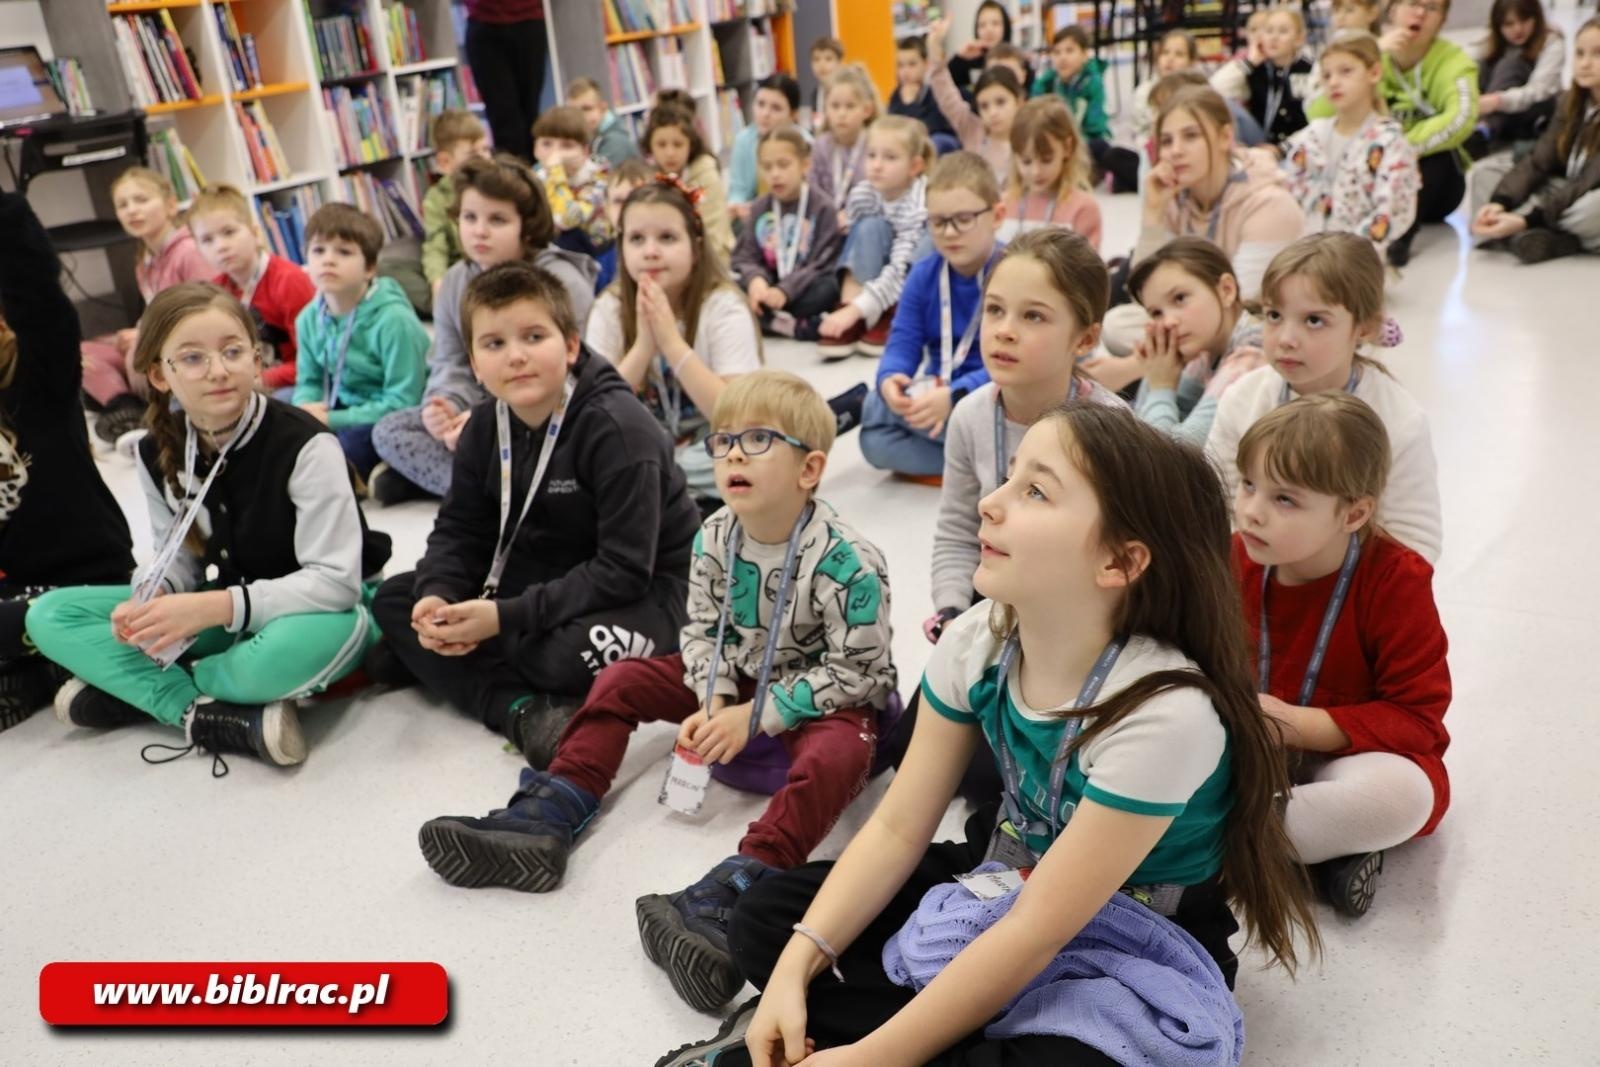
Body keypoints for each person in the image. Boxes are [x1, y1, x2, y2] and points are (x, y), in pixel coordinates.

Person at [659, 402, 1319, 1067]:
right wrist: (793, 968)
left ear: (1120, 561)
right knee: (769, 919)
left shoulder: (1164, 714)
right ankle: (865, 1029)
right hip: (1001, 875)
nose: (990, 503)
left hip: (1132, 935)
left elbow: (1038, 932)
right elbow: (894, 830)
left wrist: (869, 1059)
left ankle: (845, 1038)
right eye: (1008, 477)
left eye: (1035, 490)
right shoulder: (980, 637)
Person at [420, 371, 896, 1016]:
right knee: (619, 679)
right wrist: (711, 699)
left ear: (810, 467)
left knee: (840, 753)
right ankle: (556, 808)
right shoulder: (714, 535)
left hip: (819, 695)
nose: (731, 453)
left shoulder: (849, 561)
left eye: (758, 440)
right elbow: (700, 631)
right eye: (722, 439)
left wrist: (759, 717)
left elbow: (862, 671)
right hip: (738, 678)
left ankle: (745, 884)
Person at [28, 283, 388, 771]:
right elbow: (176, 557)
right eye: (193, 358)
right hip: (229, 612)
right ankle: (200, 712)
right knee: (50, 615)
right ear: (159, 374)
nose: (219, 370)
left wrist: (211, 608)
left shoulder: (306, 445)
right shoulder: (153, 451)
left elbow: (335, 584)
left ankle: (146, 690)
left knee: (275, 657)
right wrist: (150, 598)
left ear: (257, 362)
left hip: (319, 613)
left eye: (233, 351)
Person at [371, 261, 700, 766]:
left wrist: (501, 618)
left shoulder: (618, 430)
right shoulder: (484, 426)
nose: (517, 357)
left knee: (561, 658)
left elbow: (624, 571)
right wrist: (438, 592)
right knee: (399, 600)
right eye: (495, 344)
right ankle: (520, 711)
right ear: (475, 365)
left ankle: (464, 671)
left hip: (652, 588)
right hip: (543, 570)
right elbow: (461, 530)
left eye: (533, 336)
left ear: (570, 346)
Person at [1233, 393, 1450, 917]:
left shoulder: (1397, 580)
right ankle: (1312, 858)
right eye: (1247, 485)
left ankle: (1224, 845)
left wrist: (1299, 726)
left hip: (1346, 758)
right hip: (1246, 748)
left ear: (1353, 513)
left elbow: (1419, 719)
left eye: (1285, 500)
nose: (1252, 511)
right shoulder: (1234, 555)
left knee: (1401, 796)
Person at [368, 155, 598, 504]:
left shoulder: (561, 281)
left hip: (546, 410)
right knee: (390, 430)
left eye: (498, 220)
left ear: (527, 226)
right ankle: (486, 491)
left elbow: (574, 376)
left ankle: (470, 490)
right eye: (469, 217)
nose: (479, 230)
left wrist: (486, 419)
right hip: (478, 411)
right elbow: (450, 362)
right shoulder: (456, 281)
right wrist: (443, 406)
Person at [1207, 233, 1442, 563]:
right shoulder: (1243, 399)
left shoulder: (1399, 422)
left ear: (1363, 327)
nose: (1286, 339)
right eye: (1274, 315)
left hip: (1351, 593)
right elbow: (1217, 504)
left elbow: (1416, 539)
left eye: (1314, 320)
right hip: (1253, 580)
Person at [0, 192, 134, 730]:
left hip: (86, 574)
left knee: (60, 617)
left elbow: (38, 295)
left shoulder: (42, 377)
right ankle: (41, 659)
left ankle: (42, 655)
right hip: (12, 586)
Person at [1096, 86, 1302, 373]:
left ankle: (1161, 368)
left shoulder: (1270, 204)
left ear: (1225, 137)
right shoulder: (1175, 196)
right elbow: (1146, 296)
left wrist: (1133, 366)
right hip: (1192, 322)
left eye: (1191, 136)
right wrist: (1153, 213)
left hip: (1255, 329)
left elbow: (1239, 303)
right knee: (1118, 323)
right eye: (1166, 141)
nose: (1175, 151)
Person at [585, 178, 762, 501]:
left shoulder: (722, 306)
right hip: (643, 446)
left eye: (667, 238)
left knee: (754, 452)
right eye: (636, 239)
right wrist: (643, 346)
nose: (650, 252)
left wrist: (671, 343)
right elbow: (595, 417)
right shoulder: (609, 309)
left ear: (695, 248)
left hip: (711, 443)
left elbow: (736, 415)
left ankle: (663, 492)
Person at [860, 151, 1007, 481]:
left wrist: (958, 395)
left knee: (876, 416)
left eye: (963, 219)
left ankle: (971, 461)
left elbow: (1020, 364)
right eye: (938, 222)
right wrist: (891, 379)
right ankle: (977, 466)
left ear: (997, 215)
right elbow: (902, 340)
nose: (950, 233)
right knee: (873, 429)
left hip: (995, 397)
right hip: (940, 396)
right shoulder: (925, 274)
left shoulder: (1015, 273)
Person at [1306, 0, 1478, 267]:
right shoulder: (1372, 54)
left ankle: (1398, 237)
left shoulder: (1453, 61)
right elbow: (1317, 112)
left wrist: (1397, 148)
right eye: (1412, 4)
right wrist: (1372, 54)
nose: (1420, 13)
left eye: (1432, 8)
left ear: (1443, 20)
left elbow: (1461, 118)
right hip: (1368, 175)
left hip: (1437, 185)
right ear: (1392, 11)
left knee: (1431, 159)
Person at [291, 204, 429, 479]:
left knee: (352, 446)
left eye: (343, 252)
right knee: (281, 411)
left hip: (391, 412)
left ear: (369, 268)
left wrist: (331, 420)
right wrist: (305, 409)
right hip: (341, 402)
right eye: (319, 250)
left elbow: (403, 399)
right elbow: (309, 380)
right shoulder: (307, 318)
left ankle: (393, 474)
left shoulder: (394, 320)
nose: (328, 260)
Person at [81, 166, 214, 446]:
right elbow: (154, 309)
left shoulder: (188, 252)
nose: (132, 211)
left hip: (187, 345)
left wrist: (144, 336)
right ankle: (125, 406)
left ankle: (129, 406)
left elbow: (209, 312)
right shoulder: (145, 259)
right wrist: (137, 331)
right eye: (123, 205)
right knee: (83, 353)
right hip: (156, 340)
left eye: (141, 200)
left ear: (170, 205)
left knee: (135, 356)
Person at [1469, 17, 1600, 263]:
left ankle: (1536, 233)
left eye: (1597, 54)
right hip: (1566, 188)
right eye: (1580, 53)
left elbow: (1587, 182)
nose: (1585, 63)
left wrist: (1525, 219)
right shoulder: (1570, 101)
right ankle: (1543, 237)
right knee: (1484, 175)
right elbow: (1540, 160)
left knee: (1595, 208)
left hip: (1587, 193)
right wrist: (1501, 202)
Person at [1280, 33, 1420, 259]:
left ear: (1373, 73)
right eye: (1326, 75)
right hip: (1307, 256)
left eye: (1346, 71)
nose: (1334, 82)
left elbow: (1392, 212)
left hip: (1357, 264)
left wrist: (1347, 256)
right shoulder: (1313, 135)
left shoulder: (1389, 141)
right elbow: (1289, 189)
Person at [817, 117, 934, 361]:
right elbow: (853, 244)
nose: (877, 165)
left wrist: (859, 310)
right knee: (868, 227)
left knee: (927, 243)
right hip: (876, 276)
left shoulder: (918, 201)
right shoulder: (863, 193)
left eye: (890, 158)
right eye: (871, 156)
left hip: (908, 281)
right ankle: (852, 308)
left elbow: (901, 268)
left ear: (914, 166)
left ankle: (891, 314)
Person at [1128, 237, 1265, 444]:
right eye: (1156, 313)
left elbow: (1170, 460)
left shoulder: (1253, 353)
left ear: (1226, 290)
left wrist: (1161, 385)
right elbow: (1136, 430)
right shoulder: (1205, 349)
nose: (1169, 322)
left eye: (1180, 298)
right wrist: (1158, 369)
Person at [187, 184, 315, 398]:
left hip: (294, 382)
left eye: (229, 232)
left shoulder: (287, 280)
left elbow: (312, 361)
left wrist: (261, 379)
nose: (220, 246)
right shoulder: (215, 291)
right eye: (207, 240)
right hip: (245, 381)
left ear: (255, 233)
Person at [731, 126, 846, 339]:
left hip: (802, 288)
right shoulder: (759, 207)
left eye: (783, 165)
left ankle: (768, 321)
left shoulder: (822, 207)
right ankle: (791, 326)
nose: (775, 174)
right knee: (730, 288)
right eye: (767, 167)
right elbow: (745, 256)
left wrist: (786, 290)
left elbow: (821, 263)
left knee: (828, 289)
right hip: (769, 287)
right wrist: (757, 281)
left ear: (805, 165)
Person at [1031, 24, 1139, 191]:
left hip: (1085, 142)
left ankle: (1097, 175)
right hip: (1055, 144)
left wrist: (1073, 143)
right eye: (1057, 52)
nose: (1062, 58)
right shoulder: (1048, 82)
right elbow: (1035, 111)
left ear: (1084, 55)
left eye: (1069, 51)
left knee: (1103, 150)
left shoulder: (1092, 83)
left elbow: (1095, 125)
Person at [928, 18, 1024, 186]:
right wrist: (934, 45)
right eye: (984, 106)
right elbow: (945, 93)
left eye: (1001, 102)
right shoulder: (973, 130)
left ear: (1019, 101)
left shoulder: (1030, 137)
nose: (993, 112)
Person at [998, 97, 1102, 249]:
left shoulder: (1083, 208)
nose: (1036, 171)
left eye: (1046, 160)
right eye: (1026, 161)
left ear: (1067, 147)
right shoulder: (1003, 204)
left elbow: (1087, 270)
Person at [420, 110, 492, 312]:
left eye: (486, 150)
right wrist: (437, 281)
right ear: (445, 162)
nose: (484, 159)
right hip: (458, 267)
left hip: (491, 260)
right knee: (395, 268)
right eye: (474, 155)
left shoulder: (496, 186)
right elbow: (435, 245)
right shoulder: (436, 198)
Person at [644, 102, 734, 263]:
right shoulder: (649, 179)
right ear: (650, 147)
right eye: (661, 145)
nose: (670, 153)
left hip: (710, 263)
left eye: (678, 144)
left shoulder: (706, 176)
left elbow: (716, 237)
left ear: (690, 145)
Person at [1471, 0, 1563, 156]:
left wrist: (1497, 101)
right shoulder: (1493, 44)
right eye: (1509, 24)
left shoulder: (1552, 43)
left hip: (1535, 108)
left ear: (1536, 18)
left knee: (1512, 64)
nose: (1518, 29)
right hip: (1501, 109)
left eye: (1524, 20)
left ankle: (1484, 130)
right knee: (1479, 67)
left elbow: (1538, 91)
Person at [1216, 6, 1315, 149]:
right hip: (1259, 142)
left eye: (1283, 31)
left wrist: (1283, 148)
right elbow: (1216, 90)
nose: (1274, 37)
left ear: (1299, 38)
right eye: (1269, 31)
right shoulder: (1256, 68)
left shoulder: (1309, 69)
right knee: (1226, 104)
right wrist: (1250, 61)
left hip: (1298, 145)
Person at [460, 0, 546, 161]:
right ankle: (511, 181)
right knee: (504, 123)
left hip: (528, 23)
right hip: (484, 26)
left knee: (531, 117)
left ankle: (535, 178)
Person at [532, 105, 614, 258]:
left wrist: (556, 174)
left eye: (567, 146)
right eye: (546, 144)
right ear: (535, 149)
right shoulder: (535, 178)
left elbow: (569, 219)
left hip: (595, 255)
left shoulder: (599, 178)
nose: (554, 153)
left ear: (584, 151)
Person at [730, 74, 804, 223]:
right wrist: (737, 206)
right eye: (760, 104)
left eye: (776, 108)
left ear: (793, 114)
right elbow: (737, 190)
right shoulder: (743, 140)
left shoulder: (804, 143)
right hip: (754, 216)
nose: (765, 114)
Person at [807, 65, 879, 210]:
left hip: (865, 215)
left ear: (867, 110)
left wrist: (850, 215)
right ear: (825, 109)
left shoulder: (876, 143)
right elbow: (812, 188)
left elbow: (880, 190)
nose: (842, 114)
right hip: (828, 219)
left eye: (850, 106)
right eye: (835, 106)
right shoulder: (821, 146)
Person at [889, 36, 959, 155]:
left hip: (938, 143)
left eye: (912, 64)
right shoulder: (897, 95)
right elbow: (892, 125)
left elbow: (929, 127)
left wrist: (910, 104)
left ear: (926, 64)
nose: (905, 72)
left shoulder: (935, 91)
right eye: (900, 66)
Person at [1132, 30, 1202, 145]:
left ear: (1192, 62)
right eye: (1165, 53)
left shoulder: (1198, 93)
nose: (1170, 59)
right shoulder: (1144, 92)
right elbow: (1139, 134)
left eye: (1179, 54)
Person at [567, 76, 641, 169]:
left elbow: (601, 180)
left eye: (587, 109)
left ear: (603, 108)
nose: (580, 116)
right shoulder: (590, 138)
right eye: (573, 111)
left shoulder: (615, 142)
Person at [946, 0, 1013, 94]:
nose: (989, 30)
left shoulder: (1014, 58)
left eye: (995, 23)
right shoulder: (969, 61)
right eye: (982, 25)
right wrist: (959, 57)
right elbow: (947, 83)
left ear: (1006, 27)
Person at [806, 37, 845, 131]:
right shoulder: (816, 93)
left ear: (839, 63)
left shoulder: (845, 91)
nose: (821, 65)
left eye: (828, 59)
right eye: (816, 59)